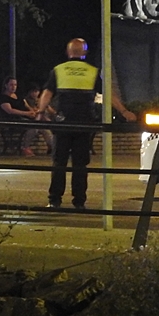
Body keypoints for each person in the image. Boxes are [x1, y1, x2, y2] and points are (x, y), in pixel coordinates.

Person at [37, 38, 136, 210]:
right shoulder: (92, 72)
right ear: (84, 53)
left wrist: (40, 111)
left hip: (63, 123)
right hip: (85, 123)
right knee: (80, 165)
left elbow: (47, 92)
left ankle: (54, 200)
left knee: (59, 163)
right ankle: (79, 202)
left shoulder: (59, 70)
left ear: (69, 52)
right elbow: (108, 93)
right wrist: (124, 111)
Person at [0, 76, 39, 157]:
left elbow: (27, 106)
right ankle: (25, 147)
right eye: (11, 85)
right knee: (35, 126)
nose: (13, 87)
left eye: (15, 85)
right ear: (6, 85)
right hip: (12, 120)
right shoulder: (3, 98)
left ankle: (51, 145)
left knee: (43, 125)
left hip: (24, 117)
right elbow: (10, 111)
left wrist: (32, 111)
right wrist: (26, 113)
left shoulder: (19, 96)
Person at [23, 85, 55, 155]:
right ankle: (25, 147)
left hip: (41, 123)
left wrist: (45, 106)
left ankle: (51, 147)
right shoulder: (27, 101)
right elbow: (34, 112)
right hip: (32, 122)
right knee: (35, 128)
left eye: (37, 91)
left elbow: (52, 112)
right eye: (33, 92)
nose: (35, 93)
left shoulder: (40, 100)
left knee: (48, 133)